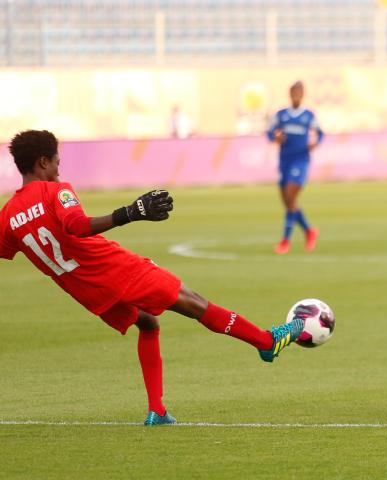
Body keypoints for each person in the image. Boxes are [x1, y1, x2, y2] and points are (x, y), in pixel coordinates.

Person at [0, 130, 305, 425]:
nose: (58, 169)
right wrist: (130, 212)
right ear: (43, 162)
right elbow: (76, 225)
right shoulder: (56, 190)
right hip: (115, 269)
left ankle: (157, 410)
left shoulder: (8, 215)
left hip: (87, 291)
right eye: (56, 162)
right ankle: (266, 342)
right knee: (193, 302)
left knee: (148, 323)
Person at [266, 81, 323, 254]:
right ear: (290, 94)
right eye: (294, 93)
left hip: (301, 160)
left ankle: (285, 241)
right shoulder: (282, 115)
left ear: (303, 95)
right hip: (284, 160)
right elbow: (269, 132)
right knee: (288, 202)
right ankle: (309, 231)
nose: (296, 96)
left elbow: (321, 133)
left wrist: (315, 143)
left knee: (291, 197)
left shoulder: (308, 116)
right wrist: (276, 138)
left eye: (299, 93)